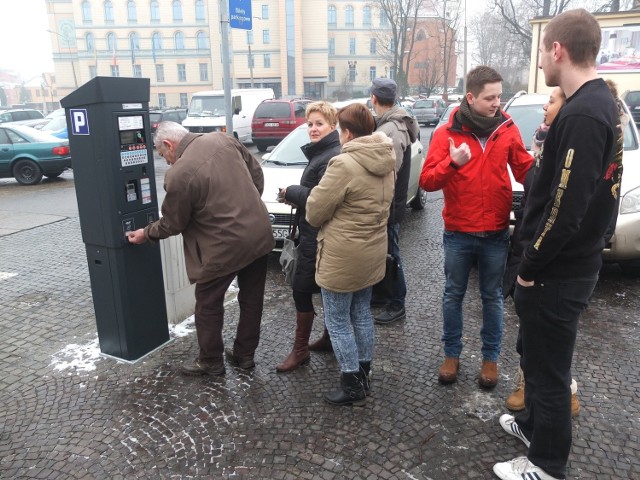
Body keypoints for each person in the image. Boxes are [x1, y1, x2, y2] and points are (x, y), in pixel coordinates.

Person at [494, 9, 622, 480]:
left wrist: (530, 265)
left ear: (557, 50)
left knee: (548, 371)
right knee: (536, 354)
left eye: (543, 50)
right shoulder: (592, 104)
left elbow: (568, 207)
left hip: (557, 270)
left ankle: (547, 464)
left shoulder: (586, 112)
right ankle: (532, 426)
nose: (542, 61)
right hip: (566, 264)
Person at [127, 122, 275, 376]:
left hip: (222, 247)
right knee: (251, 299)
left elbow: (173, 223)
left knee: (207, 304)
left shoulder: (179, 173)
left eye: (164, 156)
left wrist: (146, 233)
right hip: (258, 234)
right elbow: (256, 173)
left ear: (169, 145)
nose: (167, 162)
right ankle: (244, 355)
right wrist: (246, 206)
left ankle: (210, 360)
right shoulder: (222, 140)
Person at [420, 66, 533, 388]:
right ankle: (451, 355)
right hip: (458, 232)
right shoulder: (446, 134)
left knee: (492, 298)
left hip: (496, 232)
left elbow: (525, 170)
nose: (497, 103)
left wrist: (551, 173)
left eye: (500, 96)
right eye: (490, 97)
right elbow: (427, 182)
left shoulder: (507, 128)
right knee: (453, 295)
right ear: (471, 97)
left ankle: (490, 360)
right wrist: (452, 162)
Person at [306, 103, 395, 406]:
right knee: (361, 314)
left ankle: (352, 382)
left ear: (345, 132)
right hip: (371, 251)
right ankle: (364, 372)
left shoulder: (344, 164)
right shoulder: (385, 159)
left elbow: (315, 211)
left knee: (338, 320)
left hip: (342, 256)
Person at [502, 87, 582, 417]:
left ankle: (565, 393)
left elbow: (561, 209)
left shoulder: (569, 149)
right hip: (527, 243)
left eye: (551, 101)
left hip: (543, 255)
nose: (545, 107)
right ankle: (529, 383)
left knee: (547, 337)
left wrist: (532, 261)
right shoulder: (546, 144)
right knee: (531, 332)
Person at [275, 101, 341, 372]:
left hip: (319, 238)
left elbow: (322, 198)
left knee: (302, 292)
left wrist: (292, 191)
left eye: (319, 124)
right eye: (310, 124)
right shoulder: (321, 152)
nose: (313, 129)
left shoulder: (330, 156)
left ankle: (300, 350)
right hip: (313, 234)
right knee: (322, 291)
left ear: (333, 126)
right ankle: (328, 339)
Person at [369, 77, 420, 325]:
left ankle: (397, 303)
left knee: (392, 254)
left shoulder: (391, 129)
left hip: (390, 206)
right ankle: (383, 296)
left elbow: (390, 173)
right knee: (385, 253)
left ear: (374, 99)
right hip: (391, 204)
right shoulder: (393, 123)